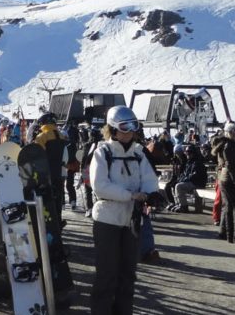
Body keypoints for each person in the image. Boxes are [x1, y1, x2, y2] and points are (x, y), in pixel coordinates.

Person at [88, 106, 157, 315]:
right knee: (107, 274)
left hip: (130, 220)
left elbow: (150, 179)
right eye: (124, 128)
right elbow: (99, 185)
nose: (128, 132)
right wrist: (130, 195)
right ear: (113, 128)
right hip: (108, 220)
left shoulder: (138, 154)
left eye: (132, 127)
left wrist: (151, 193)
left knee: (128, 274)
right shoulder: (103, 153)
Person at [171, 144, 207, 213]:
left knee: (179, 186)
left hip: (197, 183)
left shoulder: (197, 162)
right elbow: (185, 173)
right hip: (192, 182)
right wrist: (180, 179)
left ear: (193, 153)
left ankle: (184, 206)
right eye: (186, 152)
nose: (187, 154)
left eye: (189, 152)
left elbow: (194, 175)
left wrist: (184, 180)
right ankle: (178, 203)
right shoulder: (189, 162)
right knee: (174, 184)